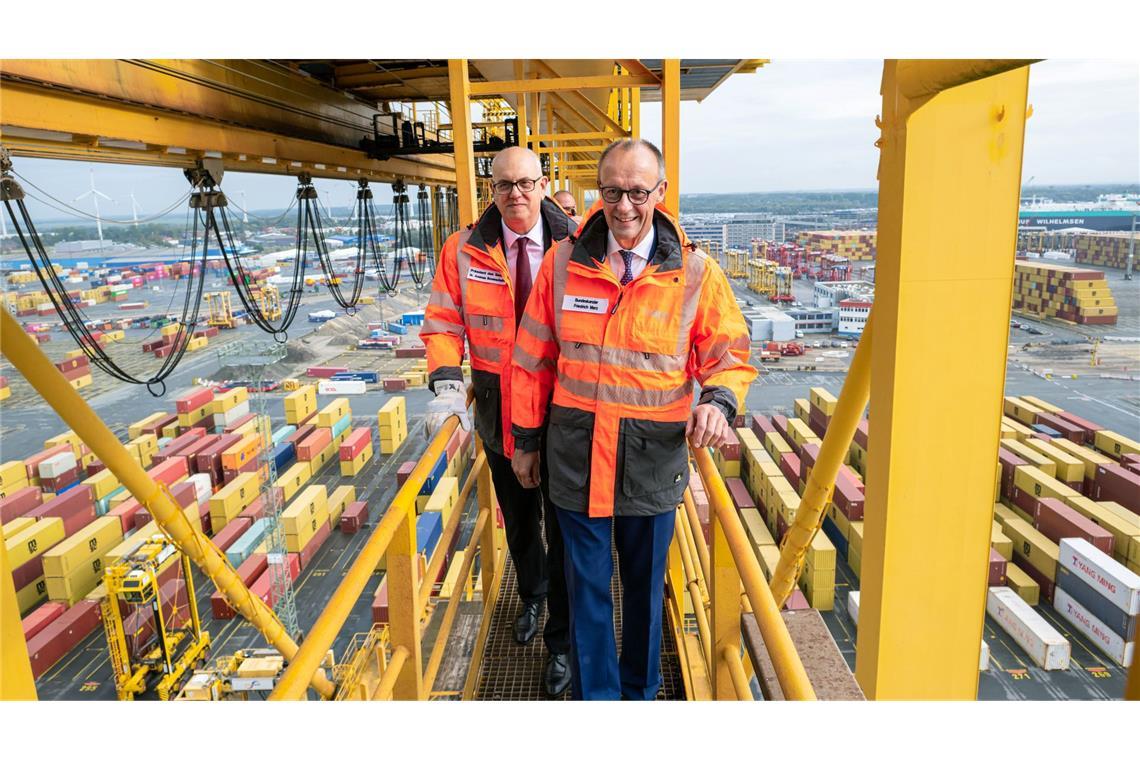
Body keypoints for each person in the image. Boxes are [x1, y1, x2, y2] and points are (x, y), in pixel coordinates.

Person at [510, 138, 756, 700]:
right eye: (613, 191)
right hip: (574, 461)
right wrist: (523, 440)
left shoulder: (694, 273)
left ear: (660, 193)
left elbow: (729, 356)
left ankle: (640, 700)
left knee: (645, 596)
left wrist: (717, 403)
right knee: (587, 594)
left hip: (651, 462)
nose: (624, 206)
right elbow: (531, 360)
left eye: (637, 192)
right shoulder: (564, 264)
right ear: (600, 192)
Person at [421, 146, 575, 697]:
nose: (516, 193)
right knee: (518, 518)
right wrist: (444, 375)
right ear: (492, 190)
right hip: (498, 410)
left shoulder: (579, 244)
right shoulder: (462, 250)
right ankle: (532, 595)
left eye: (526, 182)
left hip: (562, 413)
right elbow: (442, 317)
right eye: (504, 184)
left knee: (563, 530)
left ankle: (561, 642)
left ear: (543, 184)